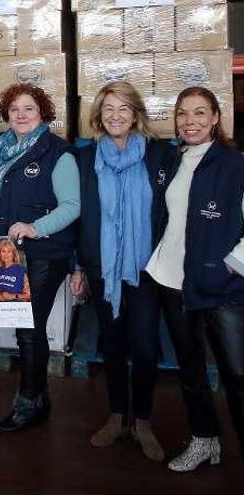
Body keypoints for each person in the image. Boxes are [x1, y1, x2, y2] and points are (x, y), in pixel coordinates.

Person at [71, 81, 176, 462]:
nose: (115, 115)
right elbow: (78, 217)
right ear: (99, 115)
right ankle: (117, 416)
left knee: (146, 347)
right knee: (112, 345)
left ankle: (143, 421)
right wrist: (78, 266)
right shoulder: (85, 159)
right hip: (102, 268)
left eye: (123, 108)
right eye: (108, 108)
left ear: (136, 114)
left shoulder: (160, 155)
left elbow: (172, 211)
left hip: (147, 269)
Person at [145, 86, 244, 472]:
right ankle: (205, 441)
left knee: (237, 375)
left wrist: (233, 263)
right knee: (191, 371)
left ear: (216, 118)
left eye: (200, 113)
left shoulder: (235, 165)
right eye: (183, 114)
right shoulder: (172, 160)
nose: (191, 122)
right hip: (171, 278)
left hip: (222, 285)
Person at [0, 83, 80, 432]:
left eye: (29, 108)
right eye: (14, 108)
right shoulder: (0, 152)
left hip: (43, 253)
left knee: (30, 329)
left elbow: (72, 206)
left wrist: (35, 227)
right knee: (22, 328)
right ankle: (38, 398)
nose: (21, 114)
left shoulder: (57, 153)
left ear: (42, 113)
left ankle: (29, 402)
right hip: (4, 252)